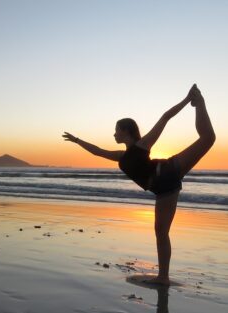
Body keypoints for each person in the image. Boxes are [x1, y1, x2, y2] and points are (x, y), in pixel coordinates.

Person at [62, 84, 216, 285]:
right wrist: (77, 140)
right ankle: (164, 277)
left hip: (168, 172)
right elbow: (97, 151)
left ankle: (198, 101)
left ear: (126, 131)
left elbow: (165, 118)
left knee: (208, 138)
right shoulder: (121, 156)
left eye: (116, 130)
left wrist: (187, 100)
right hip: (162, 189)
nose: (114, 134)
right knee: (161, 232)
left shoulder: (142, 145)